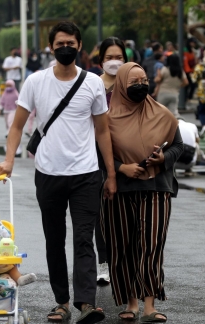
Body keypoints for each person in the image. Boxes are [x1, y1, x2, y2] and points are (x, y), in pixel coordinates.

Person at [0, 21, 117, 324]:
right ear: (51, 47)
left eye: (72, 43)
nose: (66, 48)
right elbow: (17, 126)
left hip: (87, 174)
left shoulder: (92, 84)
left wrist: (111, 174)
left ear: (80, 47)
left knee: (84, 239)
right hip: (48, 173)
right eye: (60, 43)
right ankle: (61, 302)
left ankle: (86, 302)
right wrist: (9, 160)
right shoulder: (36, 82)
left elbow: (103, 131)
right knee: (54, 239)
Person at [101, 62, 183, 324]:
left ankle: (149, 305)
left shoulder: (163, 114)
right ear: (122, 84)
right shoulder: (106, 117)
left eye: (144, 80)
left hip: (157, 188)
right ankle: (131, 302)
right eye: (134, 81)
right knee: (122, 246)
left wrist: (162, 159)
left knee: (152, 246)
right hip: (119, 189)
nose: (140, 85)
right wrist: (121, 167)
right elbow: (96, 152)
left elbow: (178, 146)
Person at [94, 37, 128, 285]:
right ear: (101, 61)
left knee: (126, 212)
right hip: (95, 154)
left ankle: (124, 262)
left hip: (127, 155)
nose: (114, 62)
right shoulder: (92, 85)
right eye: (109, 58)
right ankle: (103, 263)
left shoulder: (132, 83)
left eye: (119, 57)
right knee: (100, 212)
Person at [155, 53, 188, 117]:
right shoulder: (180, 71)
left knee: (160, 113)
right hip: (174, 94)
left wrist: (157, 76)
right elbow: (186, 82)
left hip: (163, 93)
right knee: (173, 114)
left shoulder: (165, 69)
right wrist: (178, 86)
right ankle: (173, 126)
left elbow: (158, 80)